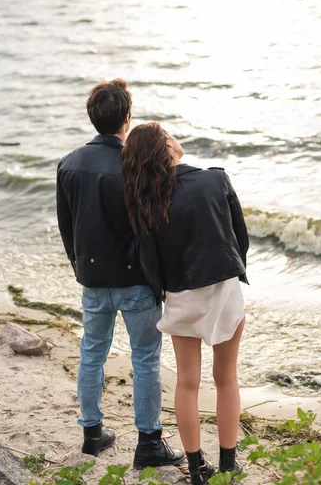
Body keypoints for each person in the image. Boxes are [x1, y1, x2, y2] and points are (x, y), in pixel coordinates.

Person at [56, 80, 184, 468]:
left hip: (93, 278)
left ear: (93, 117)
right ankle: (148, 442)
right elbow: (154, 225)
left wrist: (80, 266)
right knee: (145, 359)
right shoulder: (135, 162)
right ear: (127, 119)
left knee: (91, 354)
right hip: (135, 280)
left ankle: (92, 435)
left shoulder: (69, 163)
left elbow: (67, 226)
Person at [121, 122, 249, 485]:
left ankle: (196, 469)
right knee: (226, 378)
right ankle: (228, 466)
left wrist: (165, 291)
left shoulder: (147, 199)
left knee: (187, 383)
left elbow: (149, 260)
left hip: (179, 294)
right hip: (222, 289)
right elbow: (240, 238)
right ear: (167, 144)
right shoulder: (215, 180)